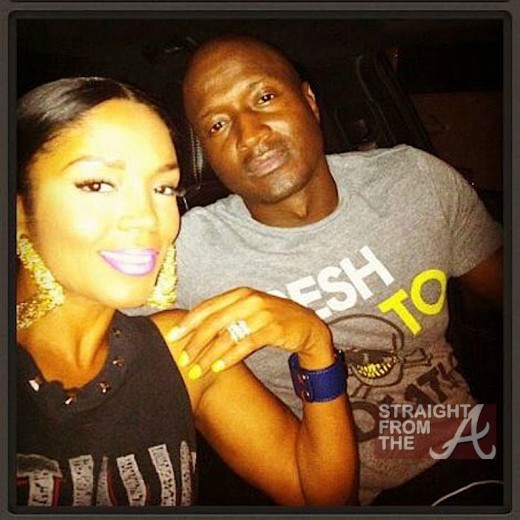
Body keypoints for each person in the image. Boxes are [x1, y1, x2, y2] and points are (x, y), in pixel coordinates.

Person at [176, 34, 504, 505]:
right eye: (217, 124)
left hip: (468, 445)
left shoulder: (415, 182)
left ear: (309, 101)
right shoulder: (187, 254)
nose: (249, 135)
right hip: (349, 491)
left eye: (264, 98)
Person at [14, 76, 359, 508]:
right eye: (98, 184)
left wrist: (315, 346)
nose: (147, 217)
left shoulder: (182, 349)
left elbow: (318, 495)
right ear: (20, 209)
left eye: (162, 188)